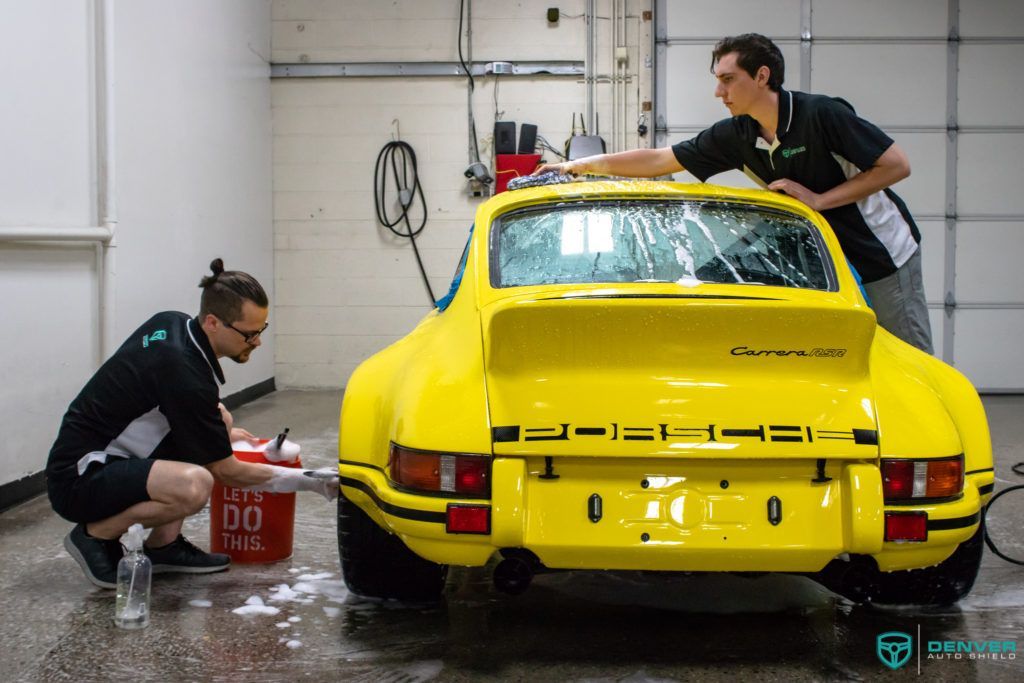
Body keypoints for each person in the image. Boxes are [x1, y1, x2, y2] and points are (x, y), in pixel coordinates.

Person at [536, 33, 933, 353]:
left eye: (727, 80)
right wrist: (579, 165)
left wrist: (818, 201)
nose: (718, 92)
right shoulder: (737, 134)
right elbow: (659, 160)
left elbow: (897, 165)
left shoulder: (822, 115)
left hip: (880, 253)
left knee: (908, 358)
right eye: (717, 80)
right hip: (825, 263)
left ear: (761, 77)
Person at [46, 259, 338, 589]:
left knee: (222, 418)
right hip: (79, 477)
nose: (257, 342)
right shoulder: (184, 373)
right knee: (195, 484)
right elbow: (227, 471)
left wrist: (221, 430)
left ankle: (165, 547)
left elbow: (190, 408)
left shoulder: (173, 324)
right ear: (213, 322)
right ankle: (93, 536)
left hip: (102, 456)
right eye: (250, 333)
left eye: (261, 330)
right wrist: (312, 480)